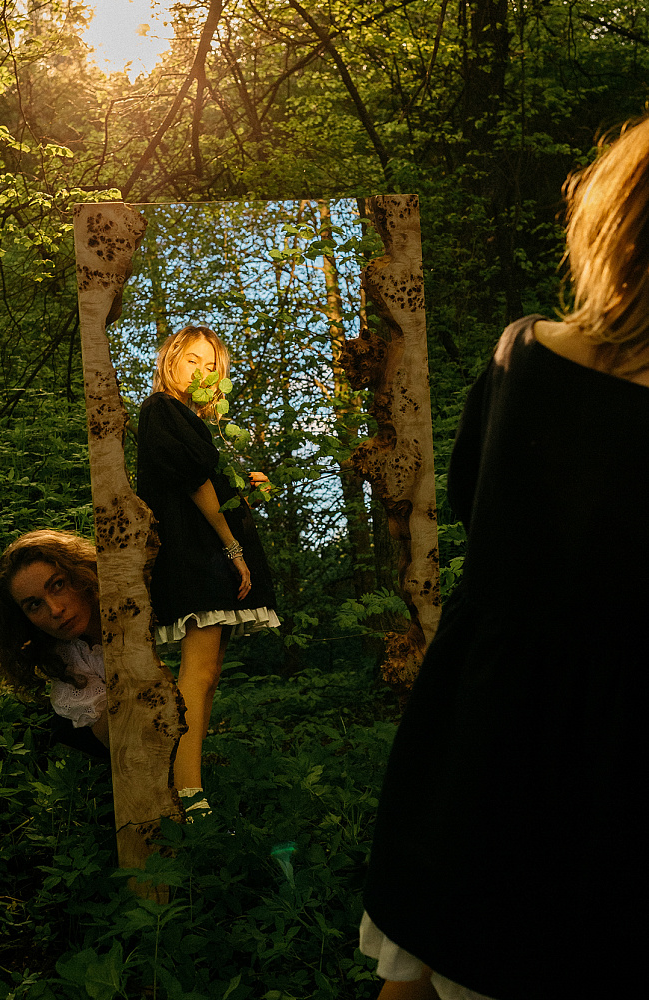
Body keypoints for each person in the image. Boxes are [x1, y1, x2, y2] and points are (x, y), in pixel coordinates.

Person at [360, 115, 649, 1000]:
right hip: (609, 756)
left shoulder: (524, 352)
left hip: (481, 717)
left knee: (426, 952)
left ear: (612, 224)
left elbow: (472, 497)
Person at [137, 324, 279, 814]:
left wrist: (242, 488)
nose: (201, 371)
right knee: (197, 671)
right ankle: (188, 798)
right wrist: (233, 548)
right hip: (195, 555)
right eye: (192, 360)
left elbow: (207, 482)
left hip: (208, 554)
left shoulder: (193, 420)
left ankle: (189, 783)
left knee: (210, 672)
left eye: (211, 365)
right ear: (171, 361)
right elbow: (195, 483)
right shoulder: (162, 408)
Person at [0, 530, 110, 756]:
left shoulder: (138, 599)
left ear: (80, 573)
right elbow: (117, 739)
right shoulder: (69, 664)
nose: (55, 610)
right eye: (35, 605)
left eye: (58, 585)